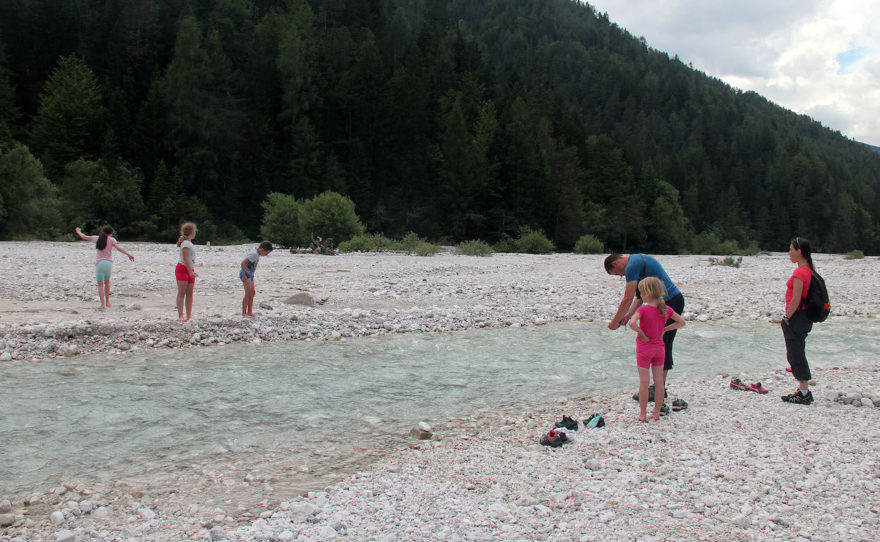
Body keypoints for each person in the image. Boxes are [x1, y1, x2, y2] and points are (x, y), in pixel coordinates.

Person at [604, 253, 686, 402]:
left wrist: (614, 323)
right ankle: (657, 386)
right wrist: (627, 316)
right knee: (657, 343)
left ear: (616, 263)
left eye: (618, 274)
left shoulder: (632, 265)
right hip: (666, 303)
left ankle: (658, 388)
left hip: (671, 302)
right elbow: (640, 297)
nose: (622, 276)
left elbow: (627, 298)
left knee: (663, 344)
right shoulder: (637, 260)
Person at [628, 277, 686, 421]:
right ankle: (656, 412)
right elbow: (682, 322)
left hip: (644, 348)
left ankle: (642, 414)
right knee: (659, 382)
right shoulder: (665, 309)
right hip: (659, 349)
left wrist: (641, 334)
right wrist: (665, 329)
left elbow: (632, 323)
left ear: (647, 293)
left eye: (641, 293)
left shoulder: (643, 309)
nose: (640, 296)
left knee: (644, 382)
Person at [781, 236, 816, 405]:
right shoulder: (809, 270)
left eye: (791, 249)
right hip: (804, 318)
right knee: (798, 350)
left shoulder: (800, 272)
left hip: (797, 317)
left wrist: (786, 317)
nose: (789, 253)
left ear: (799, 252)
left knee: (795, 353)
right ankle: (803, 389)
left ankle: (804, 392)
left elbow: (796, 299)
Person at [74, 225, 135, 309]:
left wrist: (78, 231)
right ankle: (107, 302)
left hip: (99, 263)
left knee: (100, 285)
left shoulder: (97, 238)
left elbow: (84, 237)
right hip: (108, 263)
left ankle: (102, 305)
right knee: (107, 283)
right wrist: (129, 254)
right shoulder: (112, 240)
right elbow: (118, 248)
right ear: (111, 233)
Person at [240, 241, 274, 318]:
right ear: (262, 249)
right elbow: (243, 263)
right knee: (248, 293)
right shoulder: (254, 254)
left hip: (250, 274)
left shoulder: (257, 253)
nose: (265, 255)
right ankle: (244, 313)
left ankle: (250, 311)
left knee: (252, 293)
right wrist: (244, 275)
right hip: (246, 273)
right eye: (266, 253)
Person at [175, 222, 197, 321]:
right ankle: (181, 315)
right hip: (183, 269)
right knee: (181, 292)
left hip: (189, 269)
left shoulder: (189, 243)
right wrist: (190, 271)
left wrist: (192, 271)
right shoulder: (186, 244)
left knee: (190, 292)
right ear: (192, 232)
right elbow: (185, 258)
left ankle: (189, 315)